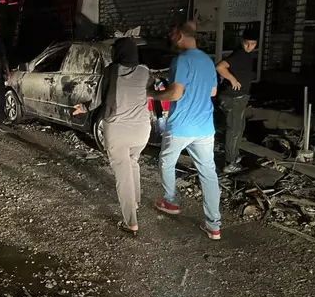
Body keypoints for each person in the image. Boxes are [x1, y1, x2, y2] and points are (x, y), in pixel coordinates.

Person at [148, 22, 221, 240]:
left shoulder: (181, 60)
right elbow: (214, 91)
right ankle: (213, 225)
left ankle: (170, 201)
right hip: (205, 126)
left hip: (181, 126)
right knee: (208, 173)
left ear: (180, 35)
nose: (170, 37)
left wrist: (152, 94)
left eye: (171, 34)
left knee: (166, 162)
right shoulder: (208, 60)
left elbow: (175, 94)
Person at [73, 38, 151, 236]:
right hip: (142, 130)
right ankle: (136, 201)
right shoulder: (145, 71)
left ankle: (131, 222)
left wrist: (83, 107)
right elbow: (149, 91)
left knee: (123, 175)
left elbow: (98, 99)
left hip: (118, 130)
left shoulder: (111, 71)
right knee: (133, 161)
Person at [216, 29, 258, 173]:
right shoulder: (239, 54)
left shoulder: (246, 55)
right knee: (234, 129)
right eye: (247, 43)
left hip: (238, 98)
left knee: (238, 127)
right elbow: (220, 66)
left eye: (252, 44)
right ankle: (230, 162)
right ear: (242, 42)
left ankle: (234, 155)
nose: (249, 46)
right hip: (233, 98)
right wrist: (232, 79)